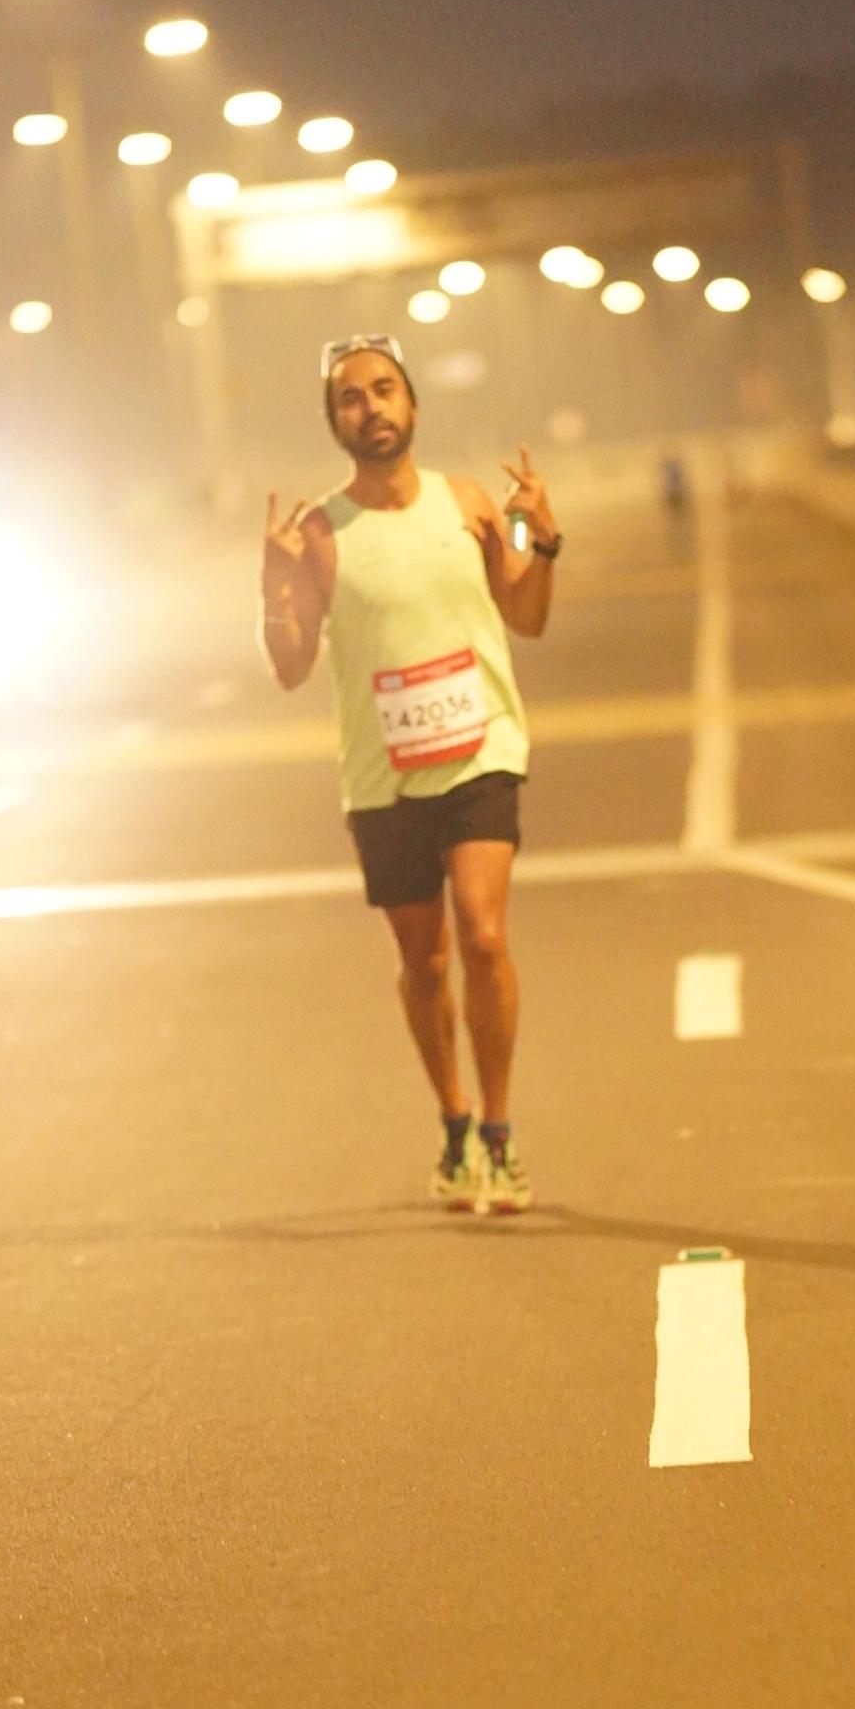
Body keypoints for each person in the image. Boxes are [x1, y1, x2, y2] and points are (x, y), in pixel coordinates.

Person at [261, 336, 561, 1213]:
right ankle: (455, 1123)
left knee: (484, 936)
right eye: (351, 399)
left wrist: (542, 540)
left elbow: (526, 614)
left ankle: (499, 1134)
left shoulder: (467, 504)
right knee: (424, 964)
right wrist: (274, 589)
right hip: (383, 778)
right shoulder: (321, 535)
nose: (371, 408)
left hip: (480, 750)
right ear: (335, 423)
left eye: (384, 390)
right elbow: (289, 667)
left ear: (413, 405)